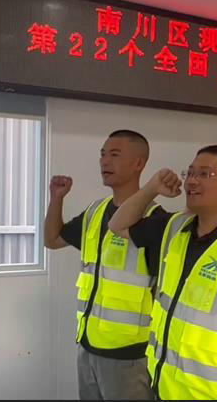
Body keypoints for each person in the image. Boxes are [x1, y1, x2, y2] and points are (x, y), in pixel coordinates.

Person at [108, 145, 217, 400]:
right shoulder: (175, 226)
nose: (192, 181)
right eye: (190, 173)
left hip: (209, 393)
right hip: (162, 385)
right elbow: (117, 225)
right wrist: (151, 188)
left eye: (204, 174)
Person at [43, 130, 164, 400]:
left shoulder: (155, 220)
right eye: (102, 154)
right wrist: (57, 198)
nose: (105, 161)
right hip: (88, 345)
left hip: (129, 353)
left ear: (139, 163)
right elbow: (52, 240)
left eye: (115, 155)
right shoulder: (95, 212)